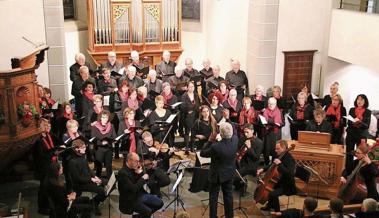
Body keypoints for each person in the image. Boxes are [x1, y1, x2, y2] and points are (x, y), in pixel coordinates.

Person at [200, 122, 238, 218]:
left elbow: (203, 153)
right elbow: (233, 132)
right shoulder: (235, 140)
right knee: (228, 196)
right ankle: (229, 216)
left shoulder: (216, 146)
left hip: (217, 175)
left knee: (213, 197)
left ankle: (213, 216)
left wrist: (210, 140)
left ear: (220, 134)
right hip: (229, 173)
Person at [67, 139, 106, 215]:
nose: (85, 149)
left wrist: (95, 177)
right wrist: (92, 180)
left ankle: (94, 202)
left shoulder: (82, 156)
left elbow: (88, 169)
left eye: (85, 147)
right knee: (102, 191)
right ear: (76, 149)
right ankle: (94, 204)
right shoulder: (72, 162)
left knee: (107, 183)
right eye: (83, 147)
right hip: (80, 184)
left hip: (88, 180)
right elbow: (77, 178)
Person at [118, 152, 164, 217]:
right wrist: (142, 178)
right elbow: (133, 189)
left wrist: (144, 172)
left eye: (139, 161)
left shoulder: (135, 168)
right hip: (129, 200)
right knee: (148, 211)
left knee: (160, 203)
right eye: (136, 161)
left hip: (140, 194)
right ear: (129, 161)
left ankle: (139, 216)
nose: (138, 163)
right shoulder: (122, 173)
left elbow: (146, 179)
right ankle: (142, 215)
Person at [257, 140, 296, 212]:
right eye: (275, 148)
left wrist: (280, 164)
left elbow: (290, 174)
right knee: (266, 187)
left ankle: (278, 212)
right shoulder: (277, 155)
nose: (275, 150)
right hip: (278, 182)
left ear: (284, 149)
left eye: (277, 149)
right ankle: (269, 206)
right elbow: (271, 165)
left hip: (286, 184)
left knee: (272, 194)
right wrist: (262, 169)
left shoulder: (290, 159)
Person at [34, 118, 60, 215]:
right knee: (43, 188)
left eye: (47, 125)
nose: (47, 127)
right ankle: (42, 207)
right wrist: (54, 152)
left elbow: (58, 142)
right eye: (45, 125)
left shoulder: (49, 135)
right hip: (43, 167)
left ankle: (50, 205)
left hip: (51, 164)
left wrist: (60, 148)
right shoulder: (38, 139)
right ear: (40, 127)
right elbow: (41, 155)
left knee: (51, 187)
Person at [136, 131, 172, 196]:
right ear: (144, 141)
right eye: (148, 141)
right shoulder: (141, 145)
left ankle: (156, 188)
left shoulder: (156, 144)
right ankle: (155, 192)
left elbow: (164, 157)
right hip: (147, 169)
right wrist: (149, 149)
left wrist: (169, 153)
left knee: (167, 181)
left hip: (157, 168)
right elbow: (139, 152)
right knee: (151, 183)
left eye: (151, 140)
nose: (150, 142)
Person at [345, 94, 371, 169]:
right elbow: (348, 123)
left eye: (361, 100)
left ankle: (358, 170)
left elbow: (367, 125)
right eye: (358, 99)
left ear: (365, 101)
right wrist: (354, 122)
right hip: (351, 134)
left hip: (361, 135)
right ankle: (347, 170)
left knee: (361, 154)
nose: (359, 101)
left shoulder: (368, 112)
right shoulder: (352, 109)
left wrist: (359, 122)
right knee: (349, 153)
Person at [234, 124, 263, 191]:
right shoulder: (242, 138)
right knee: (229, 171)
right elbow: (237, 149)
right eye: (244, 132)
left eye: (247, 132)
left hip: (249, 165)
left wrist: (249, 148)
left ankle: (241, 185)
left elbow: (256, 158)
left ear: (252, 131)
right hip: (240, 161)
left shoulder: (259, 142)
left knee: (235, 175)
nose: (246, 134)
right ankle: (239, 185)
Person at [91, 110, 116, 178]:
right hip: (99, 149)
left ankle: (110, 183)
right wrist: (101, 143)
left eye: (106, 117)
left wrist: (111, 141)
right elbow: (93, 139)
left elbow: (114, 137)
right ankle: (98, 181)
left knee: (109, 166)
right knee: (99, 167)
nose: (105, 119)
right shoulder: (95, 126)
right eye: (103, 117)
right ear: (100, 118)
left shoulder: (111, 126)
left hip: (108, 148)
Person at [262, 97, 283, 165]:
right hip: (267, 133)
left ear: (275, 104)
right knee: (266, 149)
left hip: (275, 133)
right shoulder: (265, 111)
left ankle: (273, 164)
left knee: (275, 150)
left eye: (272, 104)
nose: (271, 105)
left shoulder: (278, 111)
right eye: (269, 104)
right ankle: (266, 163)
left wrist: (270, 121)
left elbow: (280, 123)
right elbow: (263, 121)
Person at [181, 81, 201, 150]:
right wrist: (191, 108)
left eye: (192, 87)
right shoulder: (184, 96)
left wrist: (192, 109)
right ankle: (186, 146)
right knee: (187, 132)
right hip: (187, 116)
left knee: (194, 131)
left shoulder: (196, 94)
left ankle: (193, 146)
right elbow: (183, 106)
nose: (191, 88)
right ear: (187, 88)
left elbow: (198, 105)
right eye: (190, 87)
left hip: (195, 115)